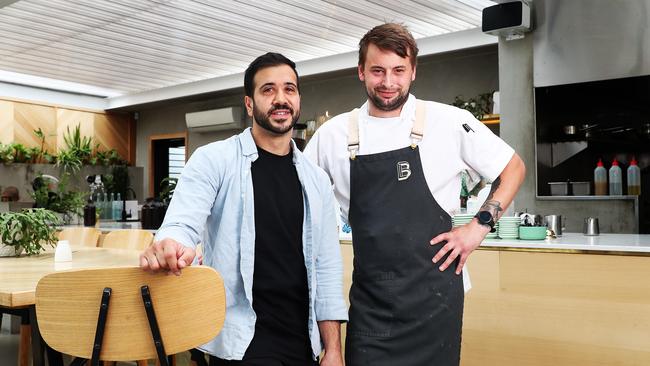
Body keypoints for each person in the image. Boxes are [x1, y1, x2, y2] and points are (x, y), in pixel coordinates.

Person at [304, 23, 525, 365]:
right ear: (361, 71)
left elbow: (513, 167)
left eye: (398, 71)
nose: (388, 82)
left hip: (436, 306)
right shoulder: (332, 136)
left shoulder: (450, 122)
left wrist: (479, 226)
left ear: (413, 72)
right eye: (377, 70)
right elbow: (300, 206)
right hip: (371, 308)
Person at [140, 52, 348, 366]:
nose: (281, 98)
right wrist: (170, 242)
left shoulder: (316, 179)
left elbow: (327, 269)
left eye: (289, 89)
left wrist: (333, 349)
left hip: (302, 341)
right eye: (268, 90)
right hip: (241, 341)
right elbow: (182, 223)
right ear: (249, 103)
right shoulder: (214, 160)